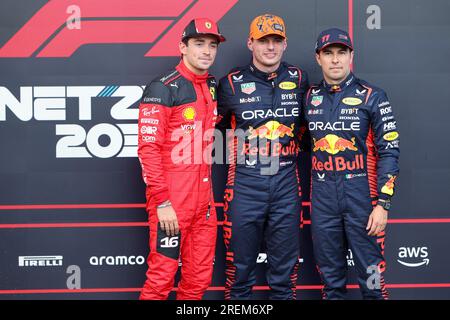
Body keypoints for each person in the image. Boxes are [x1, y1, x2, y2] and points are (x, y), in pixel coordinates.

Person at [217, 14, 309, 300]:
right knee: (238, 274)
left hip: (286, 185)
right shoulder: (231, 83)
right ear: (250, 43)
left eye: (276, 41)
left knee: (285, 276)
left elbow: (309, 128)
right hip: (245, 185)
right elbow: (213, 133)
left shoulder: (299, 78)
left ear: (284, 45)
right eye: (263, 41)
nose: (270, 47)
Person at [304, 28, 400, 299]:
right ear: (318, 58)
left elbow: (390, 151)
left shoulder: (373, 96)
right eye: (328, 53)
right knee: (331, 286)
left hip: (363, 200)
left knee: (372, 284)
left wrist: (383, 204)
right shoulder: (309, 97)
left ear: (351, 57)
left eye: (341, 53)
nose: (335, 60)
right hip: (323, 201)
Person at [137, 18, 225, 300]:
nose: (207, 51)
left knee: (198, 280)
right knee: (161, 279)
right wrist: (162, 201)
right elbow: (147, 149)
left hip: (204, 204)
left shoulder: (211, 85)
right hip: (171, 204)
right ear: (182, 47)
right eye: (199, 44)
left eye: (212, 45)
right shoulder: (162, 88)